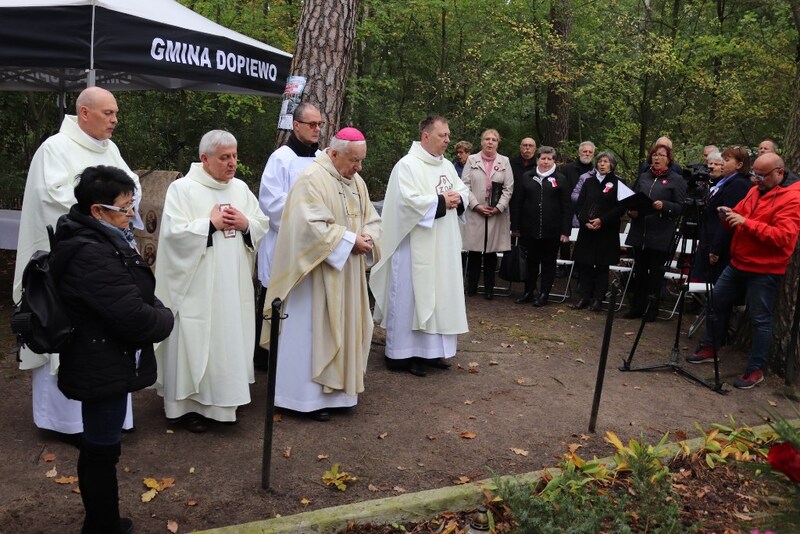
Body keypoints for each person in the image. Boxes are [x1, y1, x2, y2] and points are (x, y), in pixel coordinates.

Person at [12, 86, 140, 440]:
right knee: (71, 330)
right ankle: (65, 422)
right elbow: (53, 196)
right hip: (68, 263)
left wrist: (122, 202)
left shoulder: (109, 149)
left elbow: (131, 189)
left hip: (107, 259)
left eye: (115, 113)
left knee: (107, 328)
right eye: (108, 113)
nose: (114, 120)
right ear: (84, 113)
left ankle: (112, 416)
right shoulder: (54, 148)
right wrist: (103, 206)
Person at [54, 165, 173, 534]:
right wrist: (165, 318)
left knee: (102, 447)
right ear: (97, 211)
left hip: (105, 355)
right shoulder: (91, 253)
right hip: (99, 360)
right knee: (101, 450)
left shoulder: (100, 239)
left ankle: (101, 520)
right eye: (124, 208)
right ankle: (102, 526)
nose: (132, 215)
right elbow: (133, 315)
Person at [261, 128, 381, 421]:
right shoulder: (311, 180)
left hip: (348, 274)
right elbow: (306, 227)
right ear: (335, 153)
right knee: (311, 332)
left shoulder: (357, 183)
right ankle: (302, 399)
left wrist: (368, 237)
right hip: (313, 277)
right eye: (354, 160)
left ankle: (341, 395)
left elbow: (373, 219)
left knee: (346, 326)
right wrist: (349, 240)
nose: (359, 168)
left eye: (361, 161)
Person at [154, 130, 269, 432]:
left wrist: (246, 225)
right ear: (205, 158)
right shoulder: (182, 189)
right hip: (197, 284)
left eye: (234, 156)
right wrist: (209, 225)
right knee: (195, 337)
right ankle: (186, 408)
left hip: (233, 284)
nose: (232, 163)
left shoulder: (241, 188)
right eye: (224, 157)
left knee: (228, 338)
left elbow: (260, 224)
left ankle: (225, 402)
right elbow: (172, 235)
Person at [687, 153, 800, 389]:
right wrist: (727, 215)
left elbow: (784, 237)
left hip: (765, 270)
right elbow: (740, 212)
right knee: (715, 302)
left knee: (760, 319)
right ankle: (710, 346)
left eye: (762, 175)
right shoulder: (755, 190)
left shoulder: (793, 198)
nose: (756, 179)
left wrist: (746, 223)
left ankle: (755, 369)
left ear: (779, 173)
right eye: (755, 174)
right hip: (738, 262)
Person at [370, 115, 469, 378]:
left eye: (448, 135)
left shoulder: (447, 165)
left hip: (443, 246)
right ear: (426, 136)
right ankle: (403, 355)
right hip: (414, 246)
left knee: (440, 296)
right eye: (442, 135)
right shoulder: (407, 166)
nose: (448, 140)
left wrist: (458, 198)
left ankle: (432, 352)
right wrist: (439, 201)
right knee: (411, 298)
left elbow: (462, 191)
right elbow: (405, 203)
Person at [254, 102, 322, 370]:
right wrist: (307, 215)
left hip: (313, 245)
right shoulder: (280, 158)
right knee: (276, 301)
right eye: (312, 124)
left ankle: (295, 358)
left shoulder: (322, 160)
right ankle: (266, 358)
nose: (317, 129)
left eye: (319, 124)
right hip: (285, 243)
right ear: (296, 126)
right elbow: (270, 204)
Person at [624, 144, 687, 321]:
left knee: (655, 273)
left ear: (669, 159)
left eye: (661, 155)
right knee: (640, 271)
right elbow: (632, 198)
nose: (657, 158)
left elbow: (680, 207)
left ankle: (652, 310)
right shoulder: (644, 176)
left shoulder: (676, 180)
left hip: (660, 233)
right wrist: (631, 211)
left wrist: (664, 205)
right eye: (654, 155)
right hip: (640, 230)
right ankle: (636, 307)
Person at [510, 146, 571, 306]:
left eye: (549, 159)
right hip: (529, 229)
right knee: (531, 262)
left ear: (554, 161)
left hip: (552, 230)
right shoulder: (527, 177)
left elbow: (566, 207)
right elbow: (518, 202)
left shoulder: (561, 179)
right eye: (543, 158)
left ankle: (544, 293)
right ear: (537, 159)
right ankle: (529, 291)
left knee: (548, 263)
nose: (546, 161)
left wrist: (565, 230)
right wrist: (515, 226)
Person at [571, 152, 628, 311]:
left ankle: (598, 299)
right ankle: (584, 297)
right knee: (585, 265)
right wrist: (585, 222)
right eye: (600, 161)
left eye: (606, 162)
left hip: (606, 231)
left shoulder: (619, 183)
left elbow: (621, 207)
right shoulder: (588, 182)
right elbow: (579, 204)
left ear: (612, 165)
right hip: (587, 230)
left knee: (602, 267)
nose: (602, 164)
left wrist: (602, 220)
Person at [461, 129, 513, 300]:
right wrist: (476, 205)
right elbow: (464, 185)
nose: (490, 142)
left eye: (494, 140)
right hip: (476, 212)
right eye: (487, 139)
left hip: (495, 213)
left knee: (491, 253)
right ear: (482, 141)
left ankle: (490, 288)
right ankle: (472, 286)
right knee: (475, 252)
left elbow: (508, 188)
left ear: (498, 143)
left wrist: (499, 207)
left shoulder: (504, 161)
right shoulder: (471, 160)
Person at [690, 146, 752, 283]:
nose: (722, 163)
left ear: (739, 164)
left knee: (712, 286)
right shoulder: (725, 183)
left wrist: (716, 248)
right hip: (708, 239)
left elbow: (727, 219)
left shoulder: (739, 184)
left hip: (720, 246)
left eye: (726, 160)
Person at [558, 141, 595, 272]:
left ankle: (576, 267)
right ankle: (564, 266)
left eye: (590, 152)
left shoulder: (595, 171)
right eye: (585, 151)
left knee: (582, 239)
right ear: (579, 152)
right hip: (567, 207)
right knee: (564, 238)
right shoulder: (567, 168)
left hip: (586, 210)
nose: (587, 154)